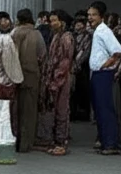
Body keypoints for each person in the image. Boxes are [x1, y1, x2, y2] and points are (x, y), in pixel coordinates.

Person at [0, 12, 23, 164]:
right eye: (1, 20)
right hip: (2, 83)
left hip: (1, 84)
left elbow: (7, 65)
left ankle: (0, 152)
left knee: (0, 118)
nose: (4, 22)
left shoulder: (7, 39)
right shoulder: (1, 38)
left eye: (6, 19)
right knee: (1, 118)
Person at [88, 1, 121, 155]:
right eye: (89, 15)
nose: (90, 18)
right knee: (99, 109)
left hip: (103, 73)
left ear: (101, 16)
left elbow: (117, 51)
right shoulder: (97, 31)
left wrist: (105, 65)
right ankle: (104, 141)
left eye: (94, 15)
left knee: (105, 108)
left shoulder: (104, 31)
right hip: (97, 73)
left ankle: (110, 143)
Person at [11, 9, 45, 153]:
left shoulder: (14, 33)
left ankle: (14, 140)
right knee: (29, 111)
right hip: (31, 76)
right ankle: (26, 143)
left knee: (14, 110)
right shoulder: (37, 34)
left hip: (14, 76)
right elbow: (42, 55)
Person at [40, 10, 74, 156]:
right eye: (51, 20)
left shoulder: (67, 37)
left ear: (62, 22)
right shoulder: (56, 36)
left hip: (62, 79)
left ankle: (61, 142)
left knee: (62, 110)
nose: (52, 23)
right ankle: (55, 140)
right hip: (54, 78)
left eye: (55, 20)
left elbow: (65, 61)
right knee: (54, 110)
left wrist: (56, 80)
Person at [70, 15, 92, 122]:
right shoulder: (72, 36)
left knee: (83, 90)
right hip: (73, 67)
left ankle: (84, 113)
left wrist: (77, 64)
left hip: (83, 67)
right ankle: (73, 113)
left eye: (80, 24)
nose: (77, 26)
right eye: (76, 24)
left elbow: (86, 52)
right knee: (73, 91)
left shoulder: (88, 37)